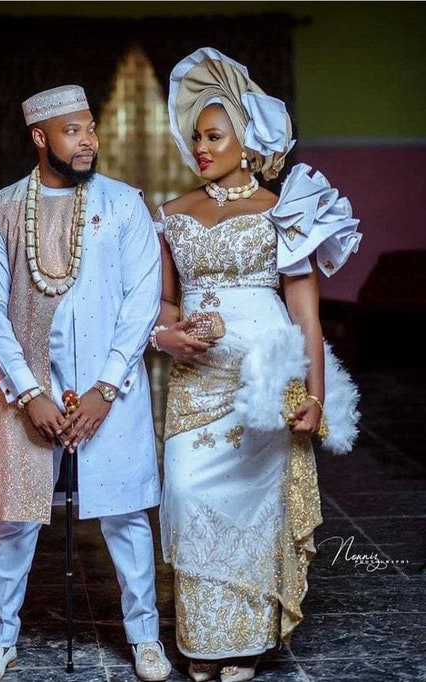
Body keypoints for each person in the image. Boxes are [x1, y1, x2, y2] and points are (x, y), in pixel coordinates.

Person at [151, 48, 361, 682]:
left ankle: (241, 644)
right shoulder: (175, 213)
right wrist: (169, 335)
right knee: (186, 494)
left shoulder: (285, 209)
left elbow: (307, 318)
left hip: (265, 384)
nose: (202, 147)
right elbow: (162, 300)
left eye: (215, 135)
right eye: (197, 137)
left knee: (254, 506)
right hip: (195, 382)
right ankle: (202, 639)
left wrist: (317, 398)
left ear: (247, 139)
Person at [0, 84, 171, 682]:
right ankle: (0, 640)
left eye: (91, 129)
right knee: (16, 518)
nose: (89, 141)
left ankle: (145, 638)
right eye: (73, 131)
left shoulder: (125, 204)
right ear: (40, 138)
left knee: (126, 515)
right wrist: (28, 394)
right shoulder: (0, 211)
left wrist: (108, 387)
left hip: (111, 389)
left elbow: (141, 302)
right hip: (24, 392)